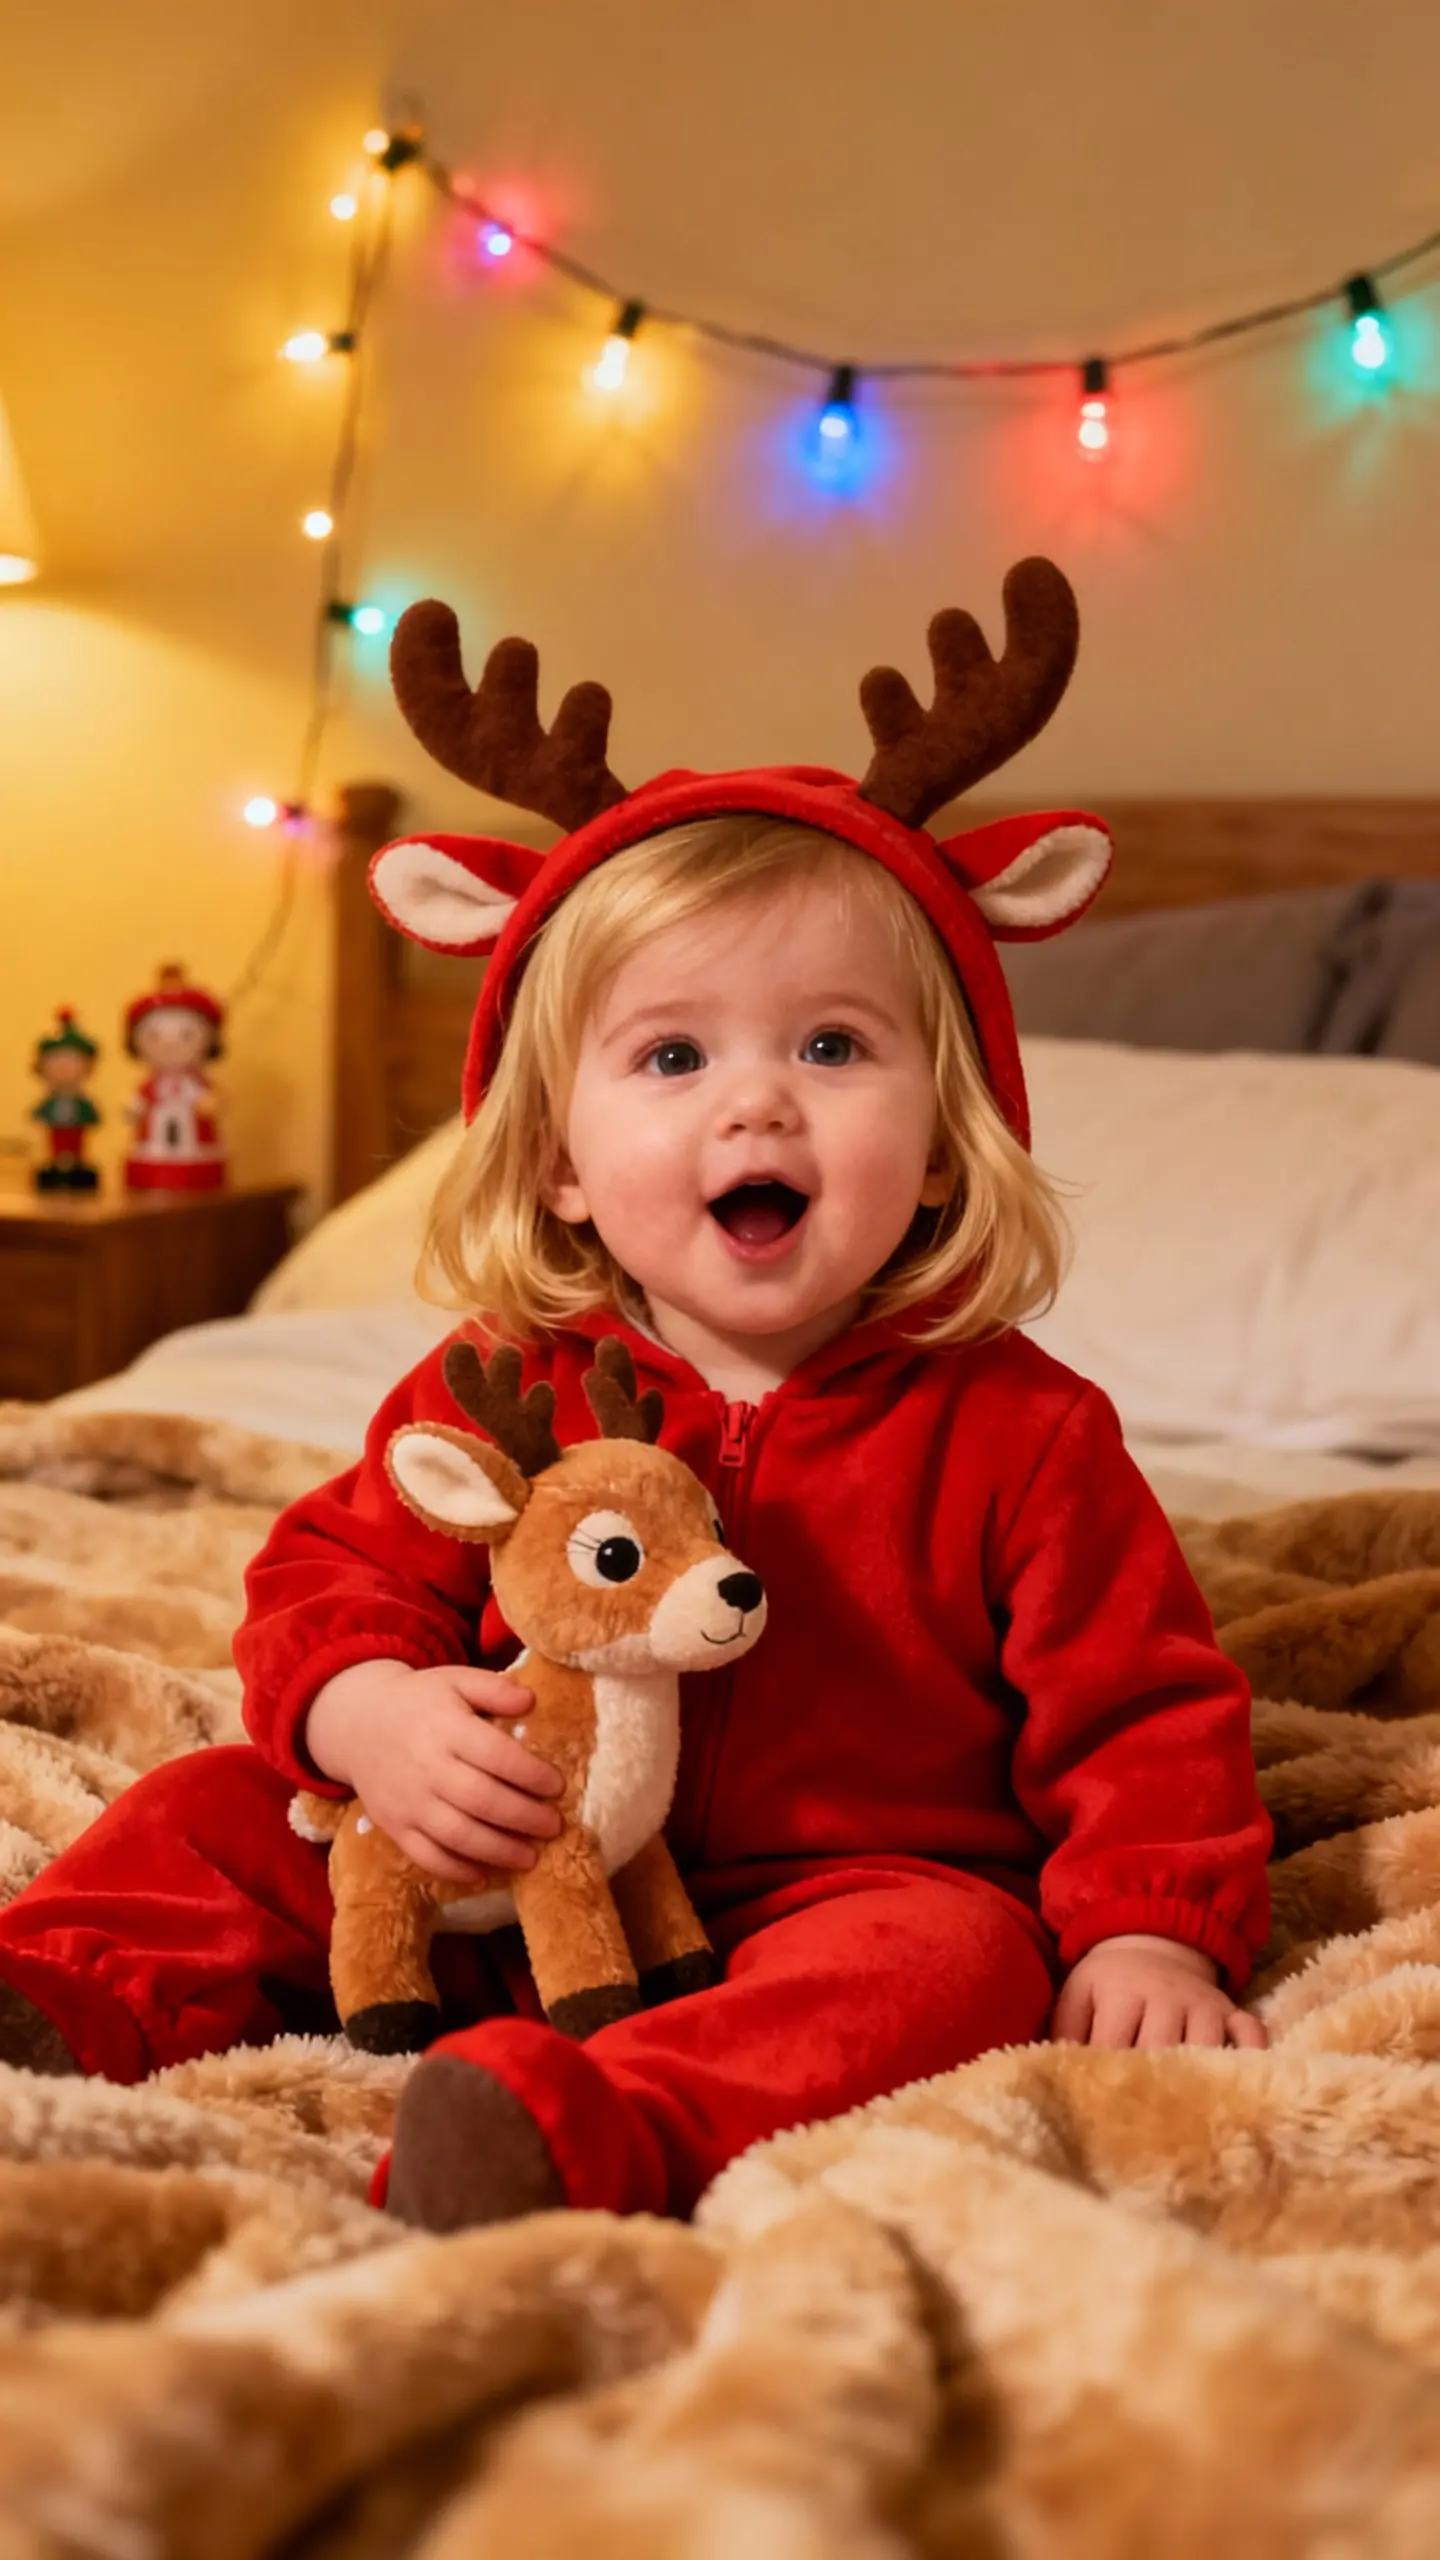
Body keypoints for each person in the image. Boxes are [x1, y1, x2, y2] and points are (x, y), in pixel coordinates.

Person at [0, 562, 1271, 2233]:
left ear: (949, 1132)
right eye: (673, 1059)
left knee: (963, 1960)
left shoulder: (1023, 1435)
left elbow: (1147, 1715)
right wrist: (368, 1718)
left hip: (839, 1889)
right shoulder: (498, 1384)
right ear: (561, 1161)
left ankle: (576, 2124)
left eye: (832, 1047)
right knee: (215, 1809)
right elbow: (332, 1575)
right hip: (496, 1878)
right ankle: (58, 2006)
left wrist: (1149, 1924)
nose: (758, 1105)